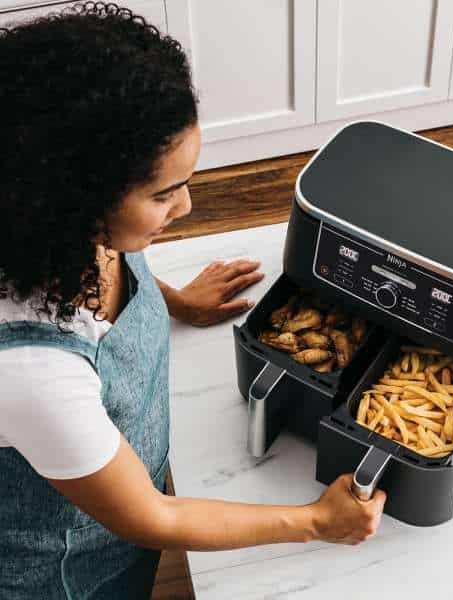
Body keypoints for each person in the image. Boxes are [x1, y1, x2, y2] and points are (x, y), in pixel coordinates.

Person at [0, 4, 386, 598]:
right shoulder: (30, 369)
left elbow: (111, 272)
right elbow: (153, 517)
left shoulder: (66, 234)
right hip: (68, 569)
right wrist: (314, 521)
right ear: (74, 198)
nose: (185, 209)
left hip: (120, 510)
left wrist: (176, 301)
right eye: (164, 194)